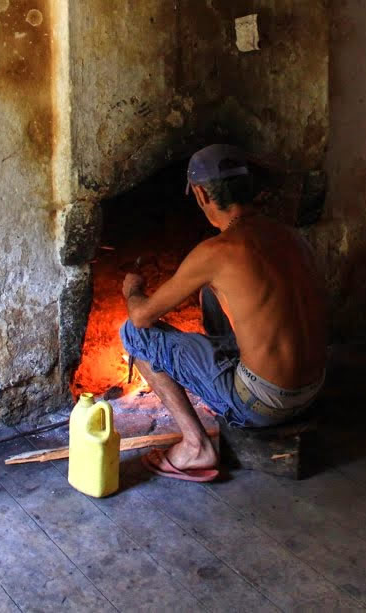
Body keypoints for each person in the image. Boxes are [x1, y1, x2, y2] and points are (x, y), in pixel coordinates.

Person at [119, 144, 327, 482]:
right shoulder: (291, 237)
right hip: (313, 392)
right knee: (211, 291)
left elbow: (141, 317)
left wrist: (132, 290)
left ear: (201, 194)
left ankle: (195, 446)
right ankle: (229, 383)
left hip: (264, 407)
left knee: (133, 333)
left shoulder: (217, 251)